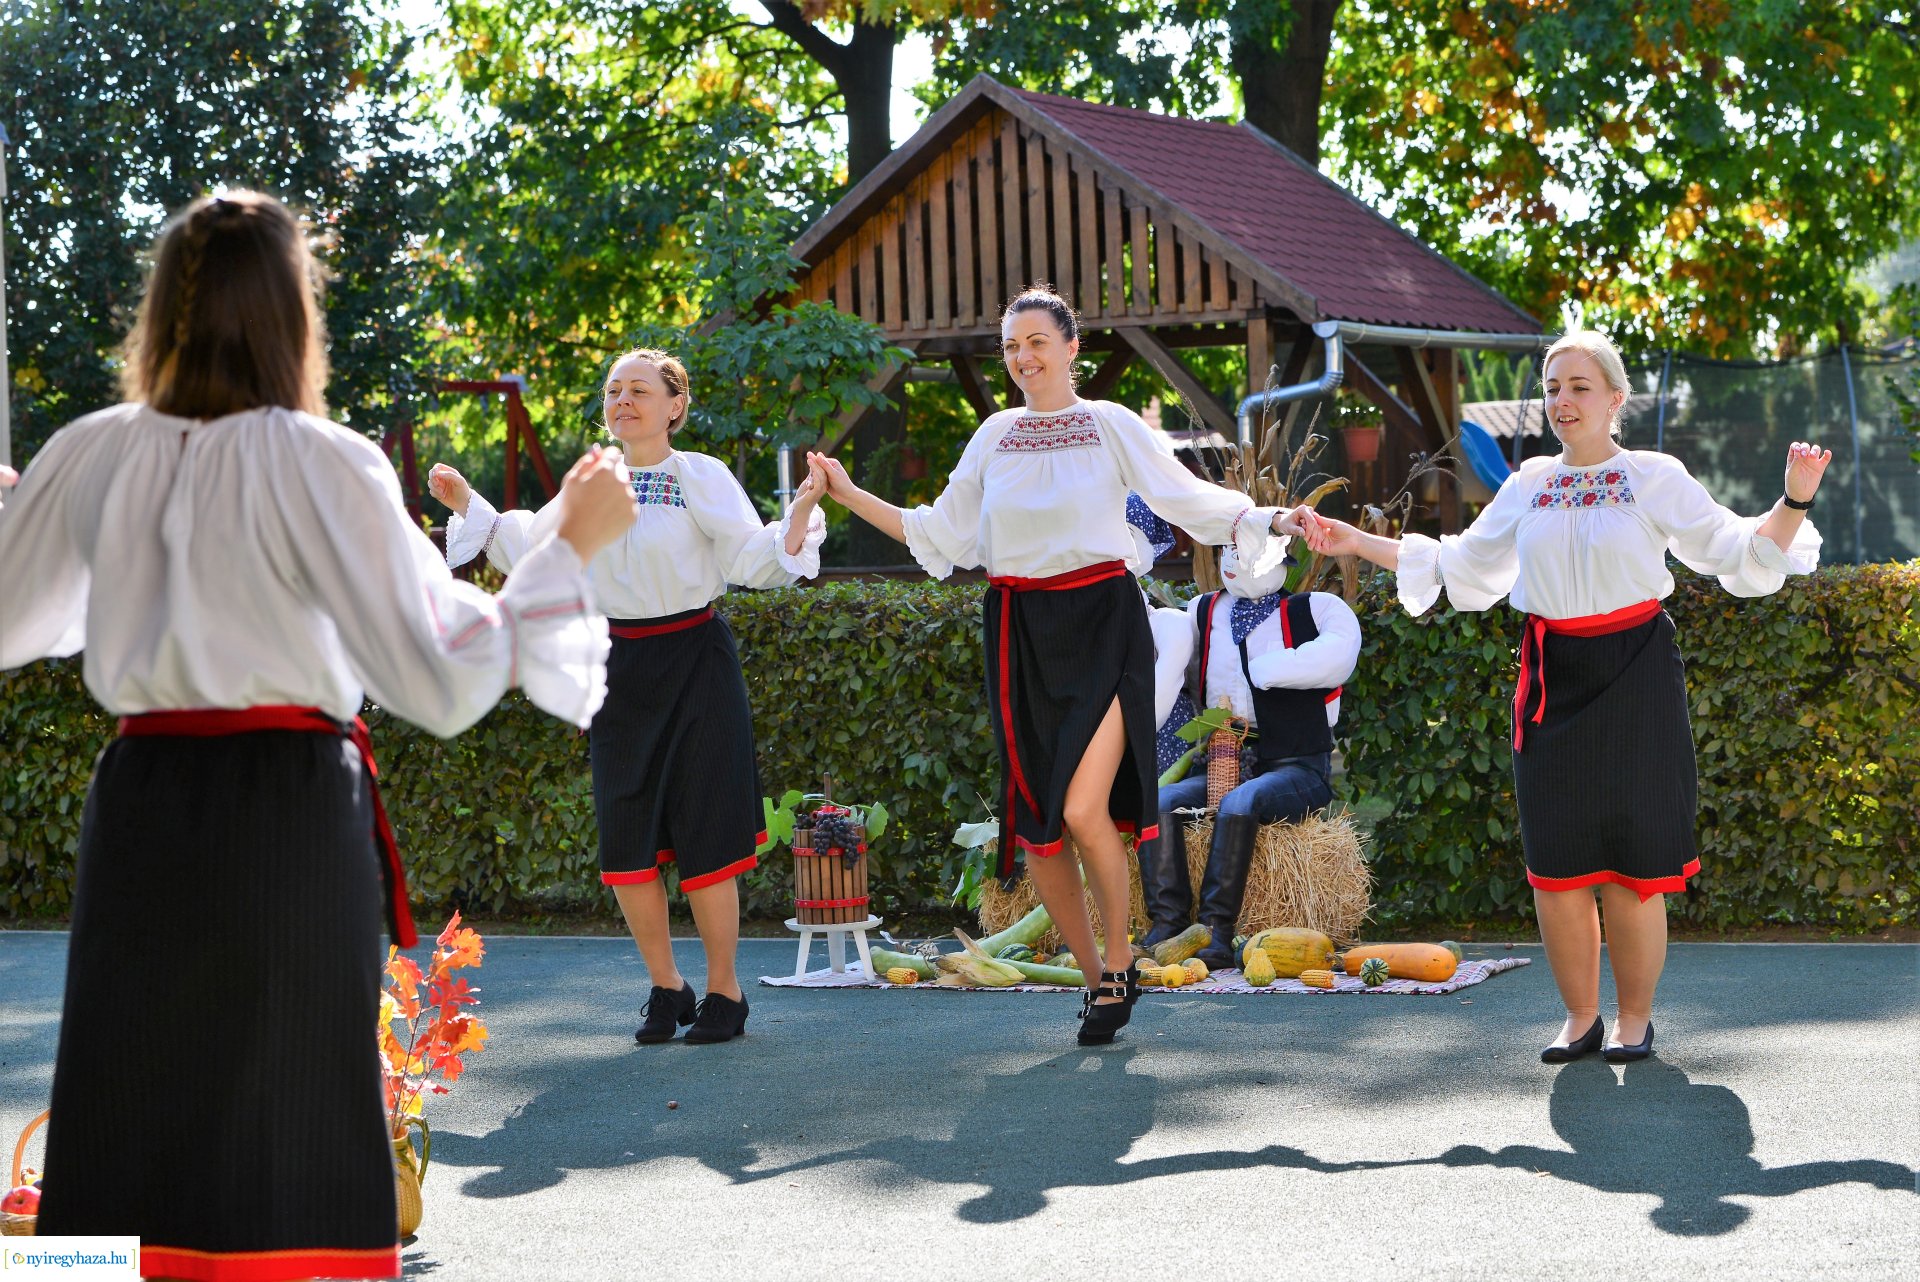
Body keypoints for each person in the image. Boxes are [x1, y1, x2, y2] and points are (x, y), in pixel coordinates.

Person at [0, 190, 636, 1282]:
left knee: (127, 1095)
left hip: (147, 807)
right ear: (296, 316)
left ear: (160, 313)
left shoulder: (89, 452)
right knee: (287, 1115)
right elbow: (441, 678)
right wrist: (568, 544)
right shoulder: (324, 460)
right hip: (289, 813)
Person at [1300, 330, 1828, 1063]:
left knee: (1636, 866)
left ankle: (1634, 1020)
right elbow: (1462, 564)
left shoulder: (1654, 475)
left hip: (1638, 672)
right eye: (1552, 388)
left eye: (1579, 387)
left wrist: (1796, 497)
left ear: (1615, 399)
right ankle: (1581, 1017)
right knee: (1559, 862)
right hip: (1553, 677)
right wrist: (1356, 542)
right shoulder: (1529, 484)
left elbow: (1738, 550)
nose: (1562, 401)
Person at [811, 284, 1305, 1045]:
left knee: (1083, 811)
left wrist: (1265, 517)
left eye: (1037, 341)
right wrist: (846, 493)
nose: (1022, 357)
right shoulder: (994, 435)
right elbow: (939, 533)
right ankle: (1097, 978)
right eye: (1011, 346)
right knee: (1041, 835)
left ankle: (1119, 960)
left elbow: (1182, 497)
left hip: (1105, 625)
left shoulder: (1108, 424)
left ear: (1071, 348)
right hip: (1019, 633)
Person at [429, 349, 827, 1046]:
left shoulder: (699, 474)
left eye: (639, 389)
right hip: (613, 668)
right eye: (614, 390)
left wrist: (797, 515)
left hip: (697, 662)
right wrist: (470, 505)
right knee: (627, 838)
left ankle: (726, 996)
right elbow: (533, 543)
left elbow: (748, 556)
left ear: (675, 405)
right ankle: (667, 987)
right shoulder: (593, 478)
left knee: (706, 832)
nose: (623, 400)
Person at [1144, 546, 1362, 969]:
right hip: (1222, 759)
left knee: (1239, 803)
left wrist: (1273, 668)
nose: (1237, 561)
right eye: (1230, 550)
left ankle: (1215, 930)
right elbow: (1162, 651)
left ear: (1280, 562)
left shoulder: (1313, 609)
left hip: (1295, 765)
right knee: (1159, 802)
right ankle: (1167, 925)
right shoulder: (1203, 611)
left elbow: (1339, 654)